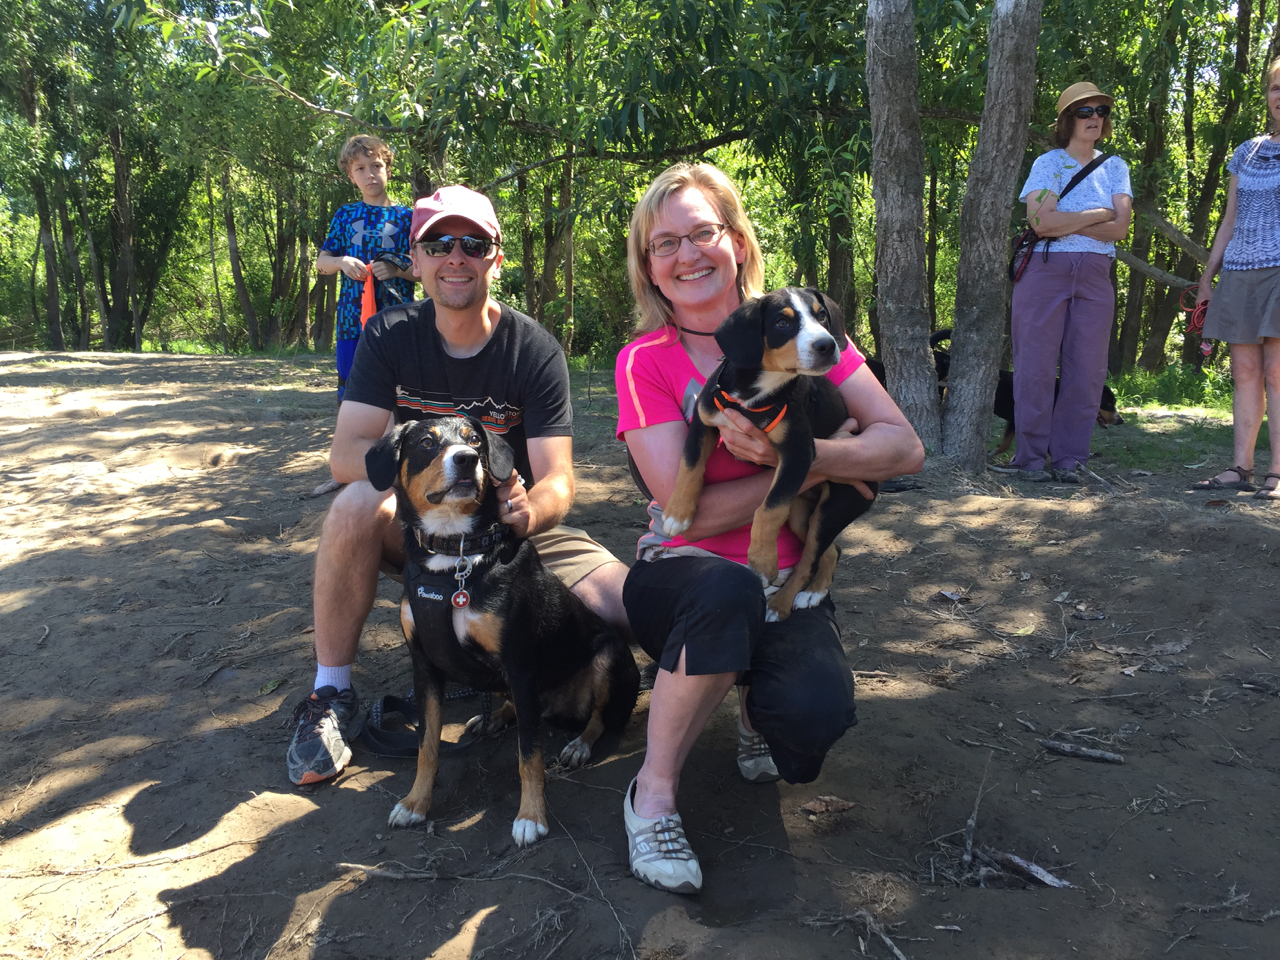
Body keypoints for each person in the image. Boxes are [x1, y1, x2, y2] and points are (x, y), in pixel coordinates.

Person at [614, 162, 924, 894]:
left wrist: (805, 456)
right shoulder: (644, 362)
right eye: (665, 244)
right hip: (684, 578)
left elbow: (904, 449)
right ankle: (652, 794)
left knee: (809, 726)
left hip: (783, 576)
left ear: (738, 242)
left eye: (702, 232)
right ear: (649, 268)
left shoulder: (805, 332)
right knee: (724, 592)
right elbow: (684, 514)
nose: (687, 254)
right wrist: (808, 466)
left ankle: (755, 702)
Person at [287, 185, 631, 786]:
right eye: (439, 243)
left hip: (512, 537)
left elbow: (558, 478)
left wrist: (527, 512)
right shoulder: (389, 334)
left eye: (474, 244)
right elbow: (345, 455)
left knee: (632, 610)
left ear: (497, 258)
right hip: (423, 530)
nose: (456, 257)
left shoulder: (534, 348)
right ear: (415, 261)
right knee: (353, 504)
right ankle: (331, 694)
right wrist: (421, 479)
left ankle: (748, 686)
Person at [1004, 82, 1132, 482]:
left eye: (1101, 111)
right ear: (1066, 120)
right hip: (1044, 271)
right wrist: (1098, 214)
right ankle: (1028, 460)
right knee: (1035, 367)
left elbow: (1121, 229)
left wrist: (1068, 221)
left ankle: (1069, 460)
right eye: (1084, 111)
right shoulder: (1048, 164)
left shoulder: (1115, 167)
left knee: (1087, 370)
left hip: (1095, 274)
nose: (1095, 118)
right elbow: (1041, 223)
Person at [1191, 58, 1280, 500]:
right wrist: (1208, 275)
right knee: (1244, 370)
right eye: (1276, 88)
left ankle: (1278, 473)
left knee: (1277, 371)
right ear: (1267, 96)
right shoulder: (1246, 151)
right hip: (1240, 270)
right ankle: (1241, 468)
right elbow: (1229, 219)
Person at [316, 135, 417, 402]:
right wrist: (341, 262)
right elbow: (322, 264)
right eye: (360, 168)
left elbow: (422, 270)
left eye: (376, 166)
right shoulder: (345, 215)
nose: (369, 174)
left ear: (388, 170)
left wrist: (396, 270)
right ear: (351, 176)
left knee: (398, 393)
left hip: (398, 321)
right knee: (353, 392)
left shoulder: (408, 218)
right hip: (351, 321)